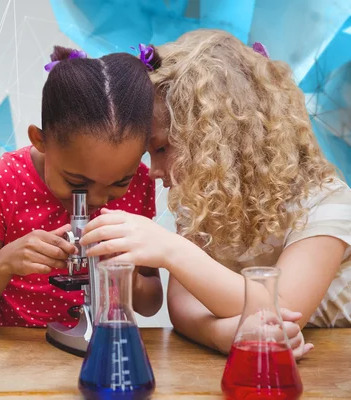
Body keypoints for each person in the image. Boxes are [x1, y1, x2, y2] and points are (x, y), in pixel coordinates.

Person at [81, 29, 351, 359]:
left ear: (219, 139)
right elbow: (183, 304)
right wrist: (220, 334)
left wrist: (171, 250)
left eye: (163, 148)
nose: (152, 170)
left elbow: (281, 307)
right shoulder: (205, 201)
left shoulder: (326, 203)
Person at [0, 45, 163, 327]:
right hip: (18, 355)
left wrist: (128, 273)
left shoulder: (140, 181)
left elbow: (150, 304)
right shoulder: (0, 183)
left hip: (103, 345)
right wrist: (4, 263)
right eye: (77, 182)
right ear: (40, 141)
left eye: (118, 183)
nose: (99, 200)